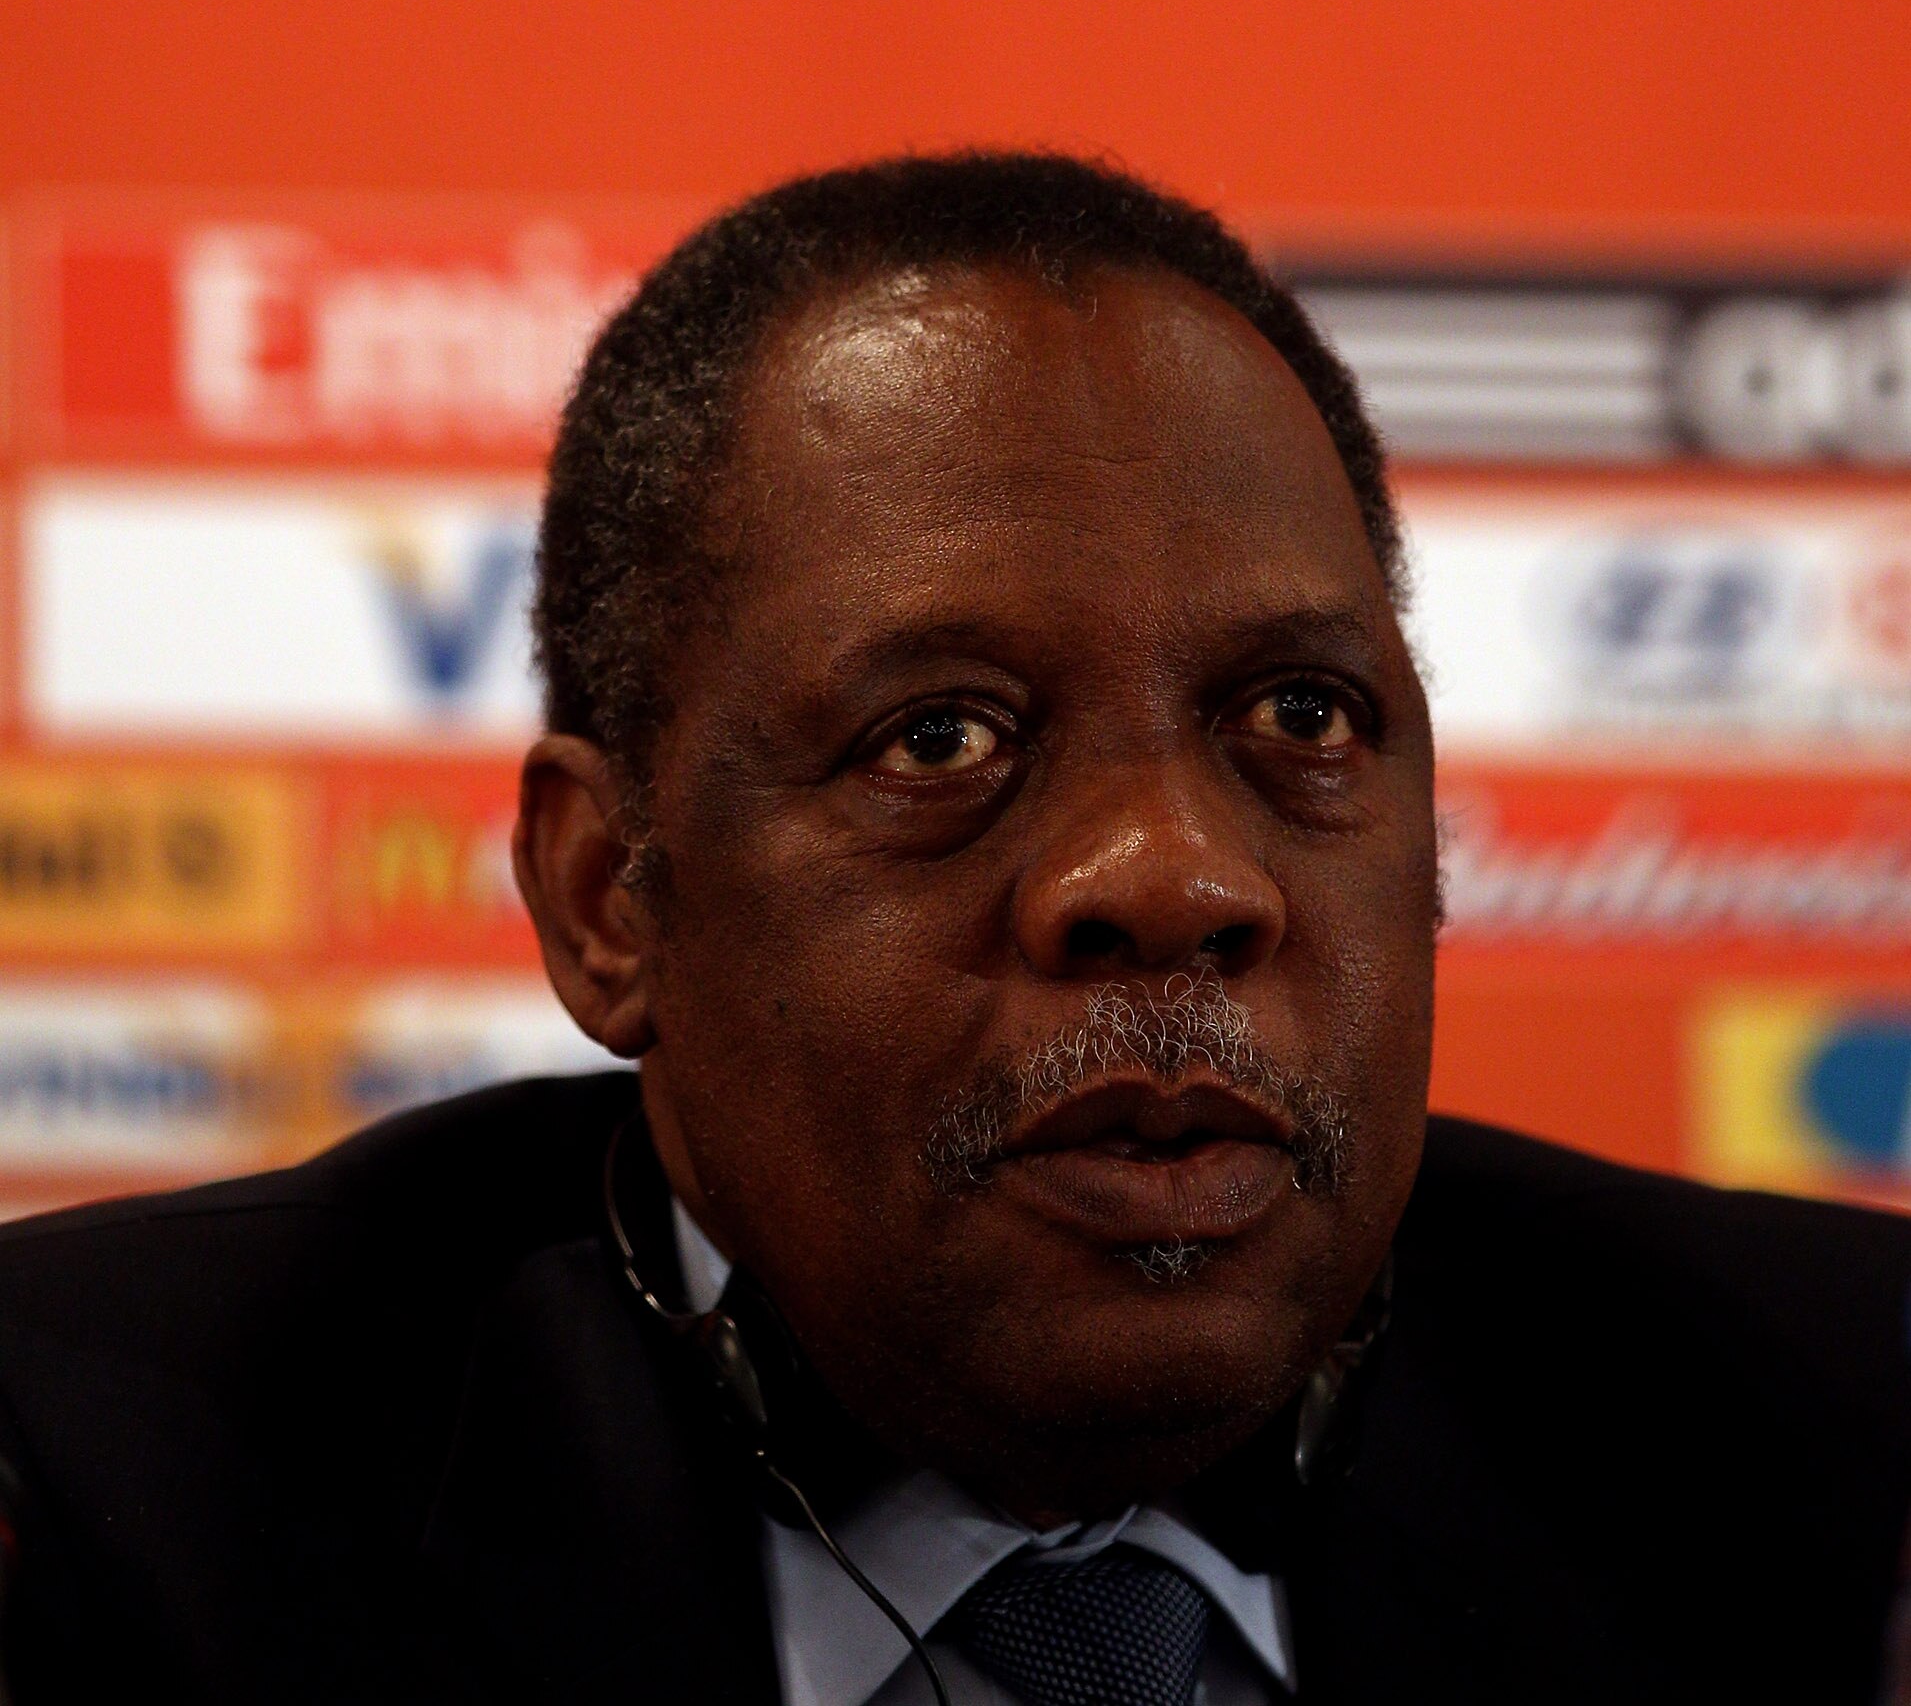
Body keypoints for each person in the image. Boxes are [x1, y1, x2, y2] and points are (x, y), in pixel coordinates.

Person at [0, 152, 1902, 1705]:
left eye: (1303, 721)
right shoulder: (116, 1494)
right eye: (944, 739)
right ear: (607, 900)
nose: (1177, 878)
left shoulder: (1836, 1459)